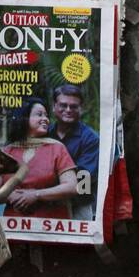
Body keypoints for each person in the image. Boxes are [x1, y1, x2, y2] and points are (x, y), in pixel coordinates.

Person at [0, 96, 77, 218]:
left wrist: (36, 195)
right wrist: (11, 196)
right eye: (39, 114)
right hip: (14, 225)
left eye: (46, 115)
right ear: (23, 118)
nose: (45, 119)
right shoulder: (7, 151)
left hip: (51, 225)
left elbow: (71, 186)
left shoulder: (57, 148)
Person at [49, 84, 100, 215]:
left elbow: (85, 182)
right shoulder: (45, 133)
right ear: (54, 106)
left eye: (74, 106)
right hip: (45, 204)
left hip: (78, 206)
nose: (68, 109)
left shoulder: (91, 139)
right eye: (63, 105)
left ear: (81, 109)